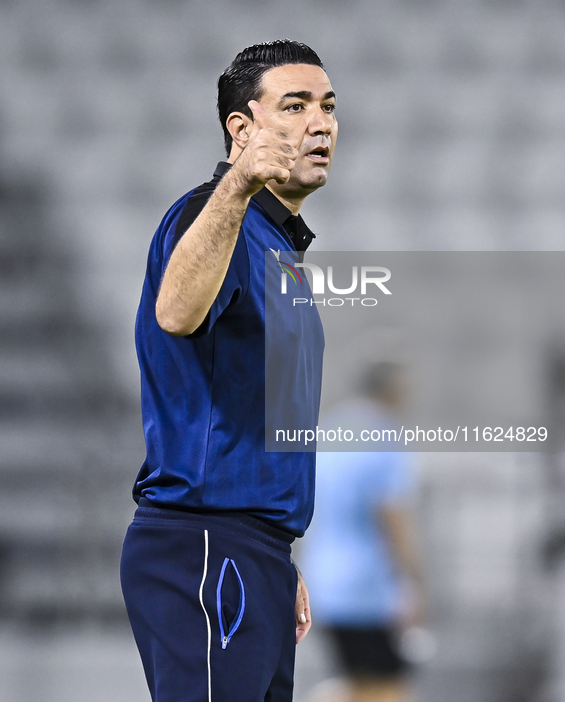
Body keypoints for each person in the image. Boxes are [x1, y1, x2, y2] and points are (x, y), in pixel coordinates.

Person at [120, 40, 338, 702]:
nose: (319, 123)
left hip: (251, 549)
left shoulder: (274, 247)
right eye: (294, 106)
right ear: (240, 129)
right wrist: (236, 183)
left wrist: (274, 550)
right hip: (205, 540)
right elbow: (177, 312)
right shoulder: (213, 215)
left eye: (327, 107)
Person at [303, 363, 426, 702]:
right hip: (368, 589)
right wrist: (413, 583)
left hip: (323, 582)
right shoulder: (383, 436)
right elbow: (392, 519)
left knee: (357, 683)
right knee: (387, 689)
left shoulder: (330, 429)